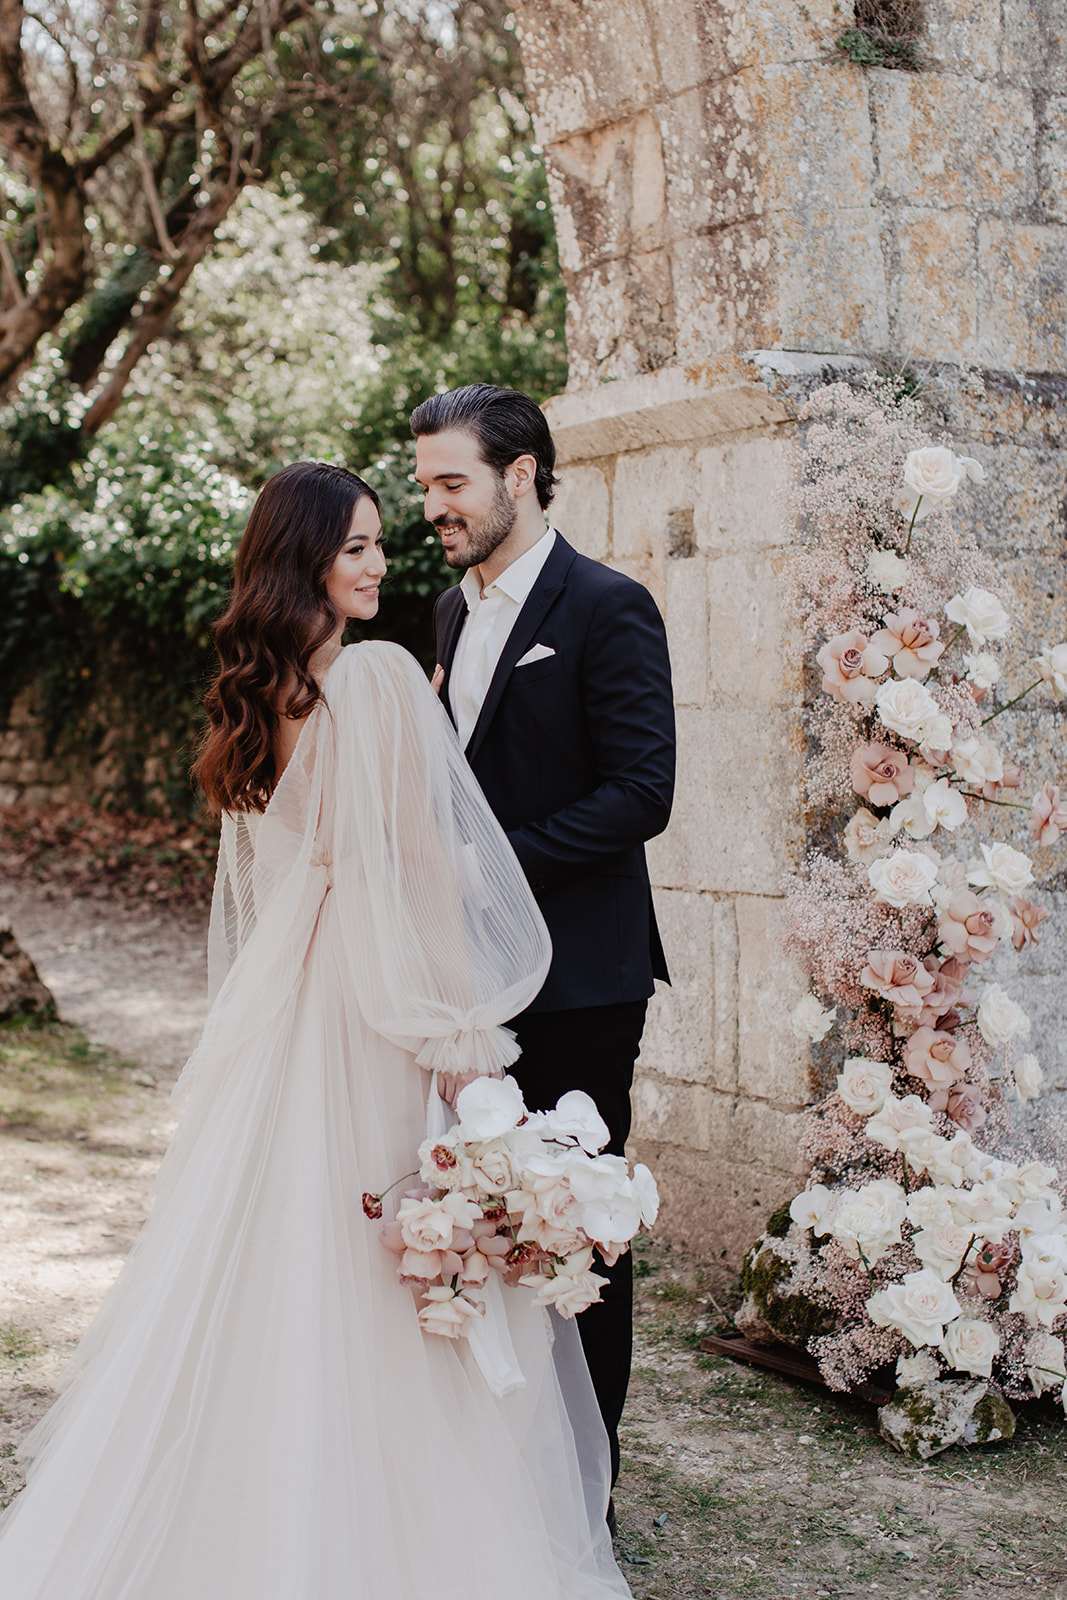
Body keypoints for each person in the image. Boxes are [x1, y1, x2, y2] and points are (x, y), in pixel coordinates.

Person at [0, 461, 631, 1599]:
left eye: (381, 542)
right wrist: (456, 1033)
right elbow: (419, 875)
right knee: (384, 1246)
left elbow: (295, 874)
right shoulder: (380, 678)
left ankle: (256, 1495)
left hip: (295, 1005)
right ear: (304, 562)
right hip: (374, 1005)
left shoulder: (260, 696)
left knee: (285, 1244)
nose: (379, 563)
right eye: (354, 547)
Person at [413, 384, 676, 1500]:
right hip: (473, 986)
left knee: (578, 1241)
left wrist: (486, 862)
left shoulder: (608, 606)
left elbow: (641, 792)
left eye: (450, 483)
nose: (433, 505)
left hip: (581, 982)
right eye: (424, 484)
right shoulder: (443, 612)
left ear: (519, 476)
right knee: (477, 1225)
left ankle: (584, 1494)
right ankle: (499, 1492)